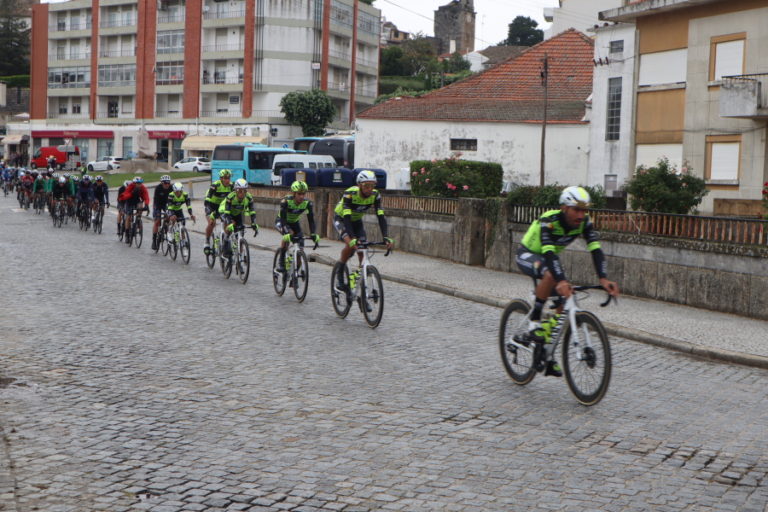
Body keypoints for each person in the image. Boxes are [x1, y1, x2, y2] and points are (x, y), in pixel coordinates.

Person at [515, 186, 620, 377]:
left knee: (565, 301)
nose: (581, 215)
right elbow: (547, 252)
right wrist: (561, 280)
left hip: (550, 259)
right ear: (564, 208)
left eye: (584, 210)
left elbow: (595, 249)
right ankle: (534, 323)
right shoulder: (550, 220)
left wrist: (603, 278)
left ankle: (547, 355)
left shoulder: (584, 223)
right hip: (529, 254)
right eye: (576, 209)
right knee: (552, 276)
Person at [332, 170, 393, 289]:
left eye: (372, 185)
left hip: (357, 221)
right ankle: (340, 271)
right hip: (342, 219)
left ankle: (361, 276)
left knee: (363, 247)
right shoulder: (350, 193)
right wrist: (352, 237)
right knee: (350, 244)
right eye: (366, 186)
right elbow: (347, 217)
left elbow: (380, 217)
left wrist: (386, 236)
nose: (369, 189)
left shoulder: (375, 195)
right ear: (359, 185)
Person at [274, 180, 320, 272]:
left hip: (294, 223)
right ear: (294, 193)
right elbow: (283, 218)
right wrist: (285, 232)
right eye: (299, 194)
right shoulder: (286, 201)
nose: (302, 196)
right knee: (288, 235)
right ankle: (281, 262)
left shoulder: (307, 203)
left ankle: (294, 275)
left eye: (303, 194)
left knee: (300, 245)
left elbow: (311, 220)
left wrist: (313, 233)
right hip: (282, 221)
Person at [218, 178, 258, 256]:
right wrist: (230, 223)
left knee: (241, 231)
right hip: (225, 211)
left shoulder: (249, 198)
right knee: (230, 226)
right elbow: (227, 213)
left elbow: (252, 211)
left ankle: (239, 256)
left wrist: (254, 223)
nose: (242, 193)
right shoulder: (231, 197)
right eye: (240, 190)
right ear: (235, 190)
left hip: (236, 213)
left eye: (244, 191)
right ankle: (225, 242)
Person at [203, 169, 233, 254]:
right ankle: (207, 242)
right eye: (225, 178)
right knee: (212, 223)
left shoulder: (231, 186)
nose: (227, 180)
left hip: (222, 207)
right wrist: (210, 212)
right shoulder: (215, 185)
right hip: (211, 206)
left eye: (229, 178)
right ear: (221, 178)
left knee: (227, 224)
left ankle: (225, 242)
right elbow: (207, 200)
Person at [118, 176, 150, 243]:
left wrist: (146, 205)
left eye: (140, 183)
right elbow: (125, 195)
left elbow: (146, 196)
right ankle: (127, 234)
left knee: (140, 207)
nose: (139, 185)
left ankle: (138, 220)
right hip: (129, 201)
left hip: (137, 201)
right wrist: (132, 193)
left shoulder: (142, 187)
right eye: (138, 183)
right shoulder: (130, 186)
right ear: (134, 183)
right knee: (128, 217)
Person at [151, 175, 173, 250]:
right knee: (157, 221)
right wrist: (157, 212)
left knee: (169, 216)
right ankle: (154, 240)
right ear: (162, 183)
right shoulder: (158, 188)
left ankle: (166, 228)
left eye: (168, 183)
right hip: (158, 204)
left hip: (166, 204)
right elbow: (156, 201)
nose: (167, 184)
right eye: (165, 183)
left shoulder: (171, 188)